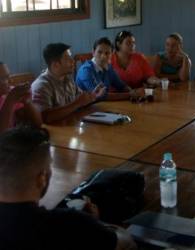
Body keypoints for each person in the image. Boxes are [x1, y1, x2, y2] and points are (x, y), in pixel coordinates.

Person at [0, 126, 136, 250]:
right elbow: (126, 243)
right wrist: (98, 224)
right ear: (41, 178)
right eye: (49, 167)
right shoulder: (68, 224)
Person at [31, 43, 105, 124]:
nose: (73, 61)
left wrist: (93, 96)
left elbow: (80, 101)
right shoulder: (42, 86)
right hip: (55, 133)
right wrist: (77, 103)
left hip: (70, 127)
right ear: (56, 65)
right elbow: (45, 117)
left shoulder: (67, 79)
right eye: (67, 59)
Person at [76, 37, 145, 101]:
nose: (103, 56)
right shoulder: (86, 70)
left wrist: (133, 92)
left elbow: (121, 86)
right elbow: (101, 96)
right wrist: (129, 95)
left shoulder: (108, 67)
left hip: (101, 107)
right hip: (85, 109)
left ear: (111, 54)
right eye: (99, 52)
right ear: (93, 52)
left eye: (107, 53)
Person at [0, 62, 41, 133]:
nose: (10, 81)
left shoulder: (8, 94)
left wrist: (27, 101)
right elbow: (2, 135)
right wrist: (10, 100)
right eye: (4, 78)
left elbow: (38, 124)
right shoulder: (10, 96)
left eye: (9, 76)